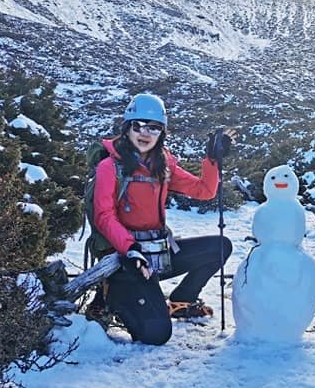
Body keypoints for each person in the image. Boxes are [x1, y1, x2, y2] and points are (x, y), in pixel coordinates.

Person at [90, 92, 237, 345]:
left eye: (154, 127)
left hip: (159, 252)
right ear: (127, 128)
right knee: (156, 334)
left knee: (220, 247)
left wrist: (212, 159)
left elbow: (205, 191)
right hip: (127, 258)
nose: (145, 133)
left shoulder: (163, 164)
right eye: (138, 125)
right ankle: (110, 297)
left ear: (162, 133)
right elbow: (103, 216)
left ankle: (182, 300)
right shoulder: (109, 167)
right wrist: (131, 249)